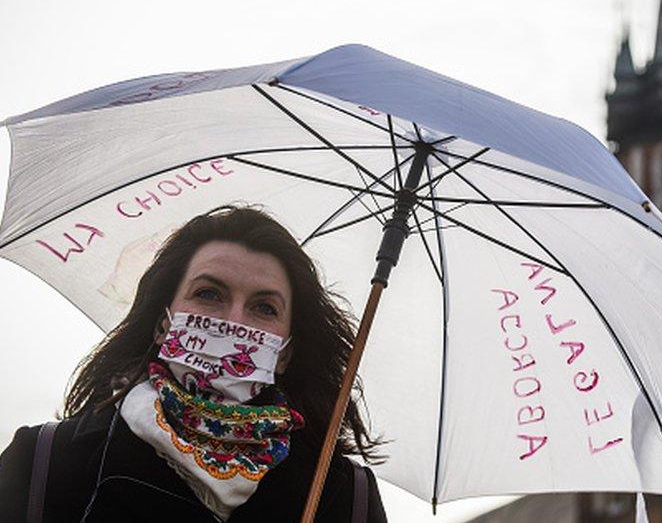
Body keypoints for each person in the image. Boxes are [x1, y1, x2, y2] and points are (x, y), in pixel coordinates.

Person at [0, 206, 387, 522]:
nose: (235, 321)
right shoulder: (44, 461)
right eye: (209, 294)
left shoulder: (344, 497)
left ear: (284, 352)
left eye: (264, 307)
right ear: (162, 324)